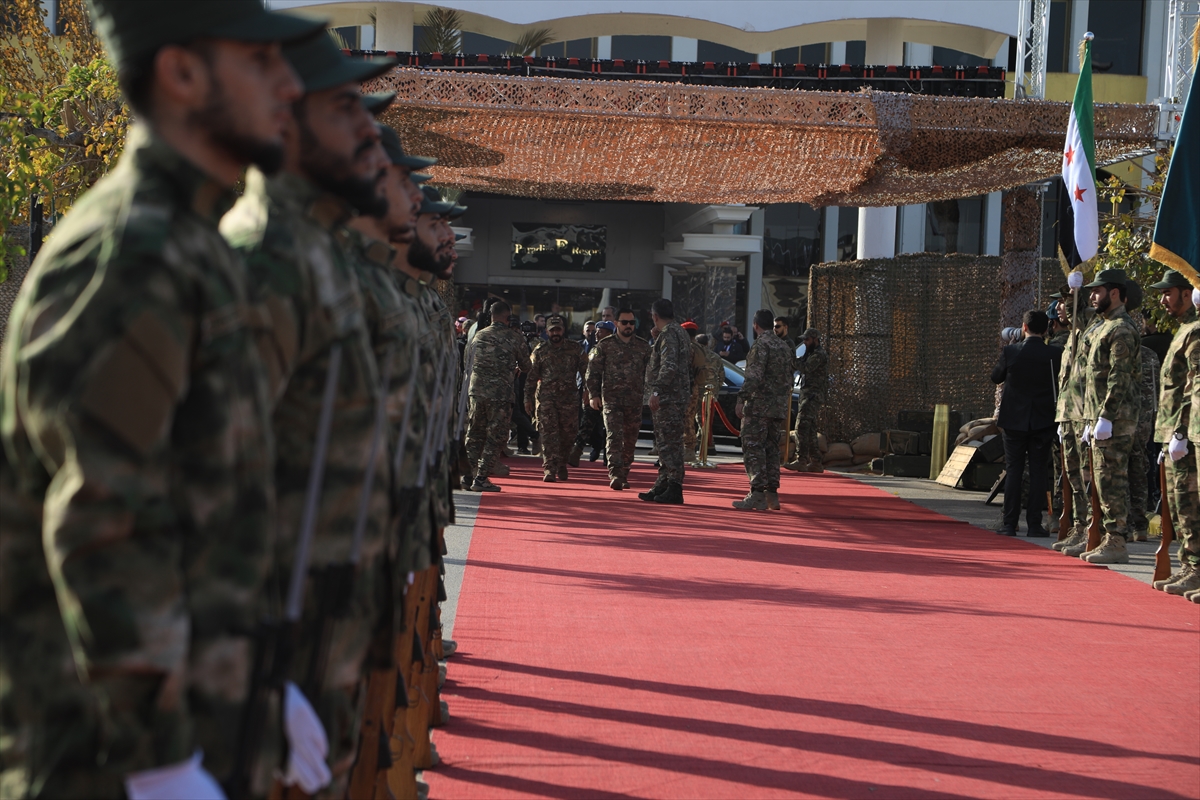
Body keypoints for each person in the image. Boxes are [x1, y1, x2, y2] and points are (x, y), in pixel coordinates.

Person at [0, 1, 322, 796]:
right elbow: (104, 522)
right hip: (102, 758)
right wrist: (161, 761)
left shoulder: (187, 242)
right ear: (181, 74)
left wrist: (252, 685)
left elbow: (201, 510)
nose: (289, 86)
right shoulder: (133, 250)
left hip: (184, 724)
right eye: (260, 62)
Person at [220, 34, 400, 794]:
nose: (367, 132)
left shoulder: (311, 256)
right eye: (344, 107)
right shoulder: (263, 259)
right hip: (262, 649)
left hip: (316, 618)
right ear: (286, 121)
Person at [1076, 269, 1143, 565]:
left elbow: (1119, 376)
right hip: (1101, 416)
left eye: (1097, 290)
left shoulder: (1122, 328)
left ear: (1113, 293)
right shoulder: (1104, 326)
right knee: (1101, 479)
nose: (1093, 295)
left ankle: (1117, 540)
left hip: (1116, 417)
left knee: (1111, 479)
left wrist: (1105, 416)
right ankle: (1107, 535)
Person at [1149, 270, 1200, 596]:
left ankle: (1195, 568)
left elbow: (1192, 386)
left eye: (1168, 292)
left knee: (1191, 503)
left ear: (1186, 293)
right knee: (1181, 504)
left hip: (1188, 432)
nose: (1163, 299)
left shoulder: (1195, 332)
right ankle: (1189, 566)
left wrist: (1180, 431)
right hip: (1176, 432)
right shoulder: (1184, 330)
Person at [990, 310, 1062, 537]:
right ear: (1046, 329)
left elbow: (996, 377)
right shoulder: (1055, 353)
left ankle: (1009, 522)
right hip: (1042, 419)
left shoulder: (1011, 351)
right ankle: (1034, 524)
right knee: (1039, 471)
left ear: (1023, 327)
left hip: (1014, 419)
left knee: (1014, 471)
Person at [464, 300, 531, 491]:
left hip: (476, 392)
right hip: (500, 395)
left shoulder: (477, 336)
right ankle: (481, 478)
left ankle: (468, 475)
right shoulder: (514, 337)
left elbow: (467, 362)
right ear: (508, 316)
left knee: (474, 433)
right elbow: (527, 366)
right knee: (496, 436)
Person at [733, 310, 795, 511]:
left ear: (756, 325)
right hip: (777, 407)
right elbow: (788, 379)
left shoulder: (761, 345)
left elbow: (754, 377)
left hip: (759, 406)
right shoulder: (784, 346)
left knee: (753, 448)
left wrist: (742, 398)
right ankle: (772, 494)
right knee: (771, 449)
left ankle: (757, 493)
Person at [587, 308, 653, 490]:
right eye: (624, 322)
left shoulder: (643, 347)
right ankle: (615, 473)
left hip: (635, 401)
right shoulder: (604, 346)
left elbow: (652, 373)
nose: (628, 326)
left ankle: (624, 472)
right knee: (614, 436)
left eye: (632, 323)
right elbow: (593, 372)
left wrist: (651, 395)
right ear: (616, 323)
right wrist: (593, 395)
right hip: (611, 400)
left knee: (630, 439)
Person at [639, 299, 692, 504]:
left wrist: (657, 391)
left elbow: (669, 366)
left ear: (655, 316)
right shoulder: (678, 332)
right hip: (674, 397)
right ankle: (663, 483)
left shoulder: (670, 334)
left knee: (669, 444)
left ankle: (674, 487)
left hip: (669, 398)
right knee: (664, 444)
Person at [524, 315, 587, 481]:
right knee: (548, 434)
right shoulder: (540, 350)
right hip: (546, 399)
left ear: (563, 330)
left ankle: (562, 463)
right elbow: (531, 377)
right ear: (547, 331)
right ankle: (549, 468)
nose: (555, 333)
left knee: (568, 435)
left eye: (558, 329)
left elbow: (586, 372)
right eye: (552, 330)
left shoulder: (575, 349)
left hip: (569, 400)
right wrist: (527, 398)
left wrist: (589, 391)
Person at [786, 328, 829, 473]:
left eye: (807, 340)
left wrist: (791, 360)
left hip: (813, 395)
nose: (804, 342)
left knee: (801, 426)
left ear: (815, 339)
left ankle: (801, 459)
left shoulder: (819, 354)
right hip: (807, 394)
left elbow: (806, 367)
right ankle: (816, 461)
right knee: (810, 429)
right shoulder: (810, 353)